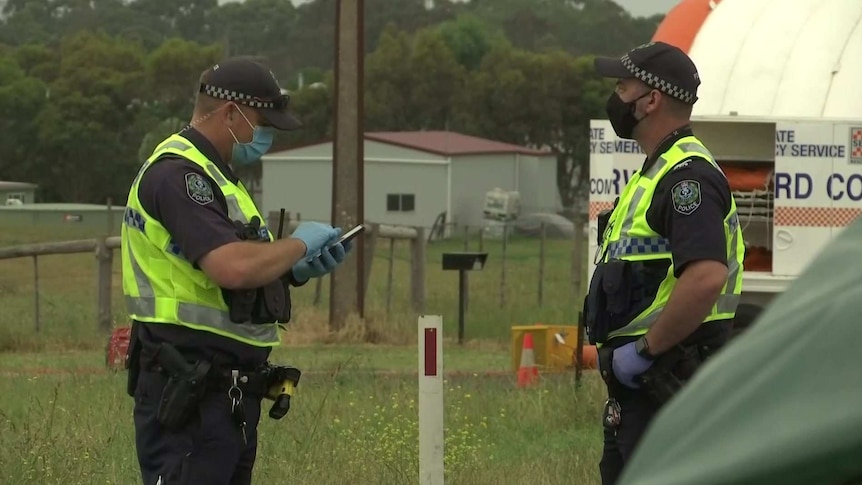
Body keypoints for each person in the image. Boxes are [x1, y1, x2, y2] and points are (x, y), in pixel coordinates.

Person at [121, 57, 352, 485]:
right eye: (261, 122)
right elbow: (230, 267)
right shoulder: (179, 176)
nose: (263, 137)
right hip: (189, 389)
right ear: (230, 113)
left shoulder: (219, 179)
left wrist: (294, 271)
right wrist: (299, 243)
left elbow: (225, 278)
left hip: (223, 395)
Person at [585, 41, 745, 485]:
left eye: (622, 87)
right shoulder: (653, 171)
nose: (615, 98)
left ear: (651, 100)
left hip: (665, 379)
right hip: (637, 390)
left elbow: (706, 275)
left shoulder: (687, 179)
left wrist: (645, 350)